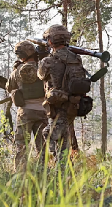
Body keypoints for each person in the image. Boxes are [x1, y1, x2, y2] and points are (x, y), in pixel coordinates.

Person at [37, 24, 90, 162]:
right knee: (63, 139)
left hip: (58, 105)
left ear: (50, 41)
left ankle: (57, 170)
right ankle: (64, 175)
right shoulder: (76, 58)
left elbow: (41, 75)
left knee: (49, 133)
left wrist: (42, 55)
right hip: (73, 105)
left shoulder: (48, 60)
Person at [6, 41, 48, 171]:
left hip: (24, 112)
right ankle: (43, 174)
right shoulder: (43, 69)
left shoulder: (17, 71)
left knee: (21, 145)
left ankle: (20, 175)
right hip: (42, 111)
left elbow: (9, 87)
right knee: (42, 146)